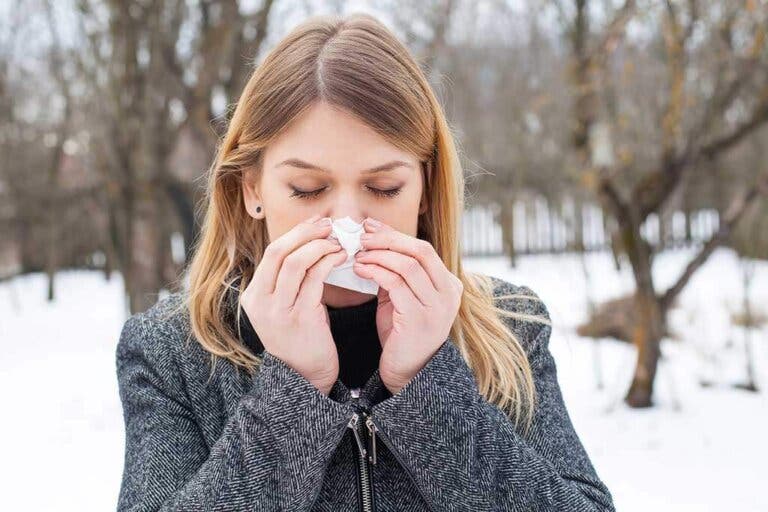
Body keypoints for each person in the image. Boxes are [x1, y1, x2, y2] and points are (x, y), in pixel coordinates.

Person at [115, 12, 616, 512]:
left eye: (384, 187)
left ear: (424, 188)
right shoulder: (171, 354)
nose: (347, 222)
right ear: (252, 190)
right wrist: (293, 392)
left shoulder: (507, 326)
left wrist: (428, 386)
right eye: (308, 190)